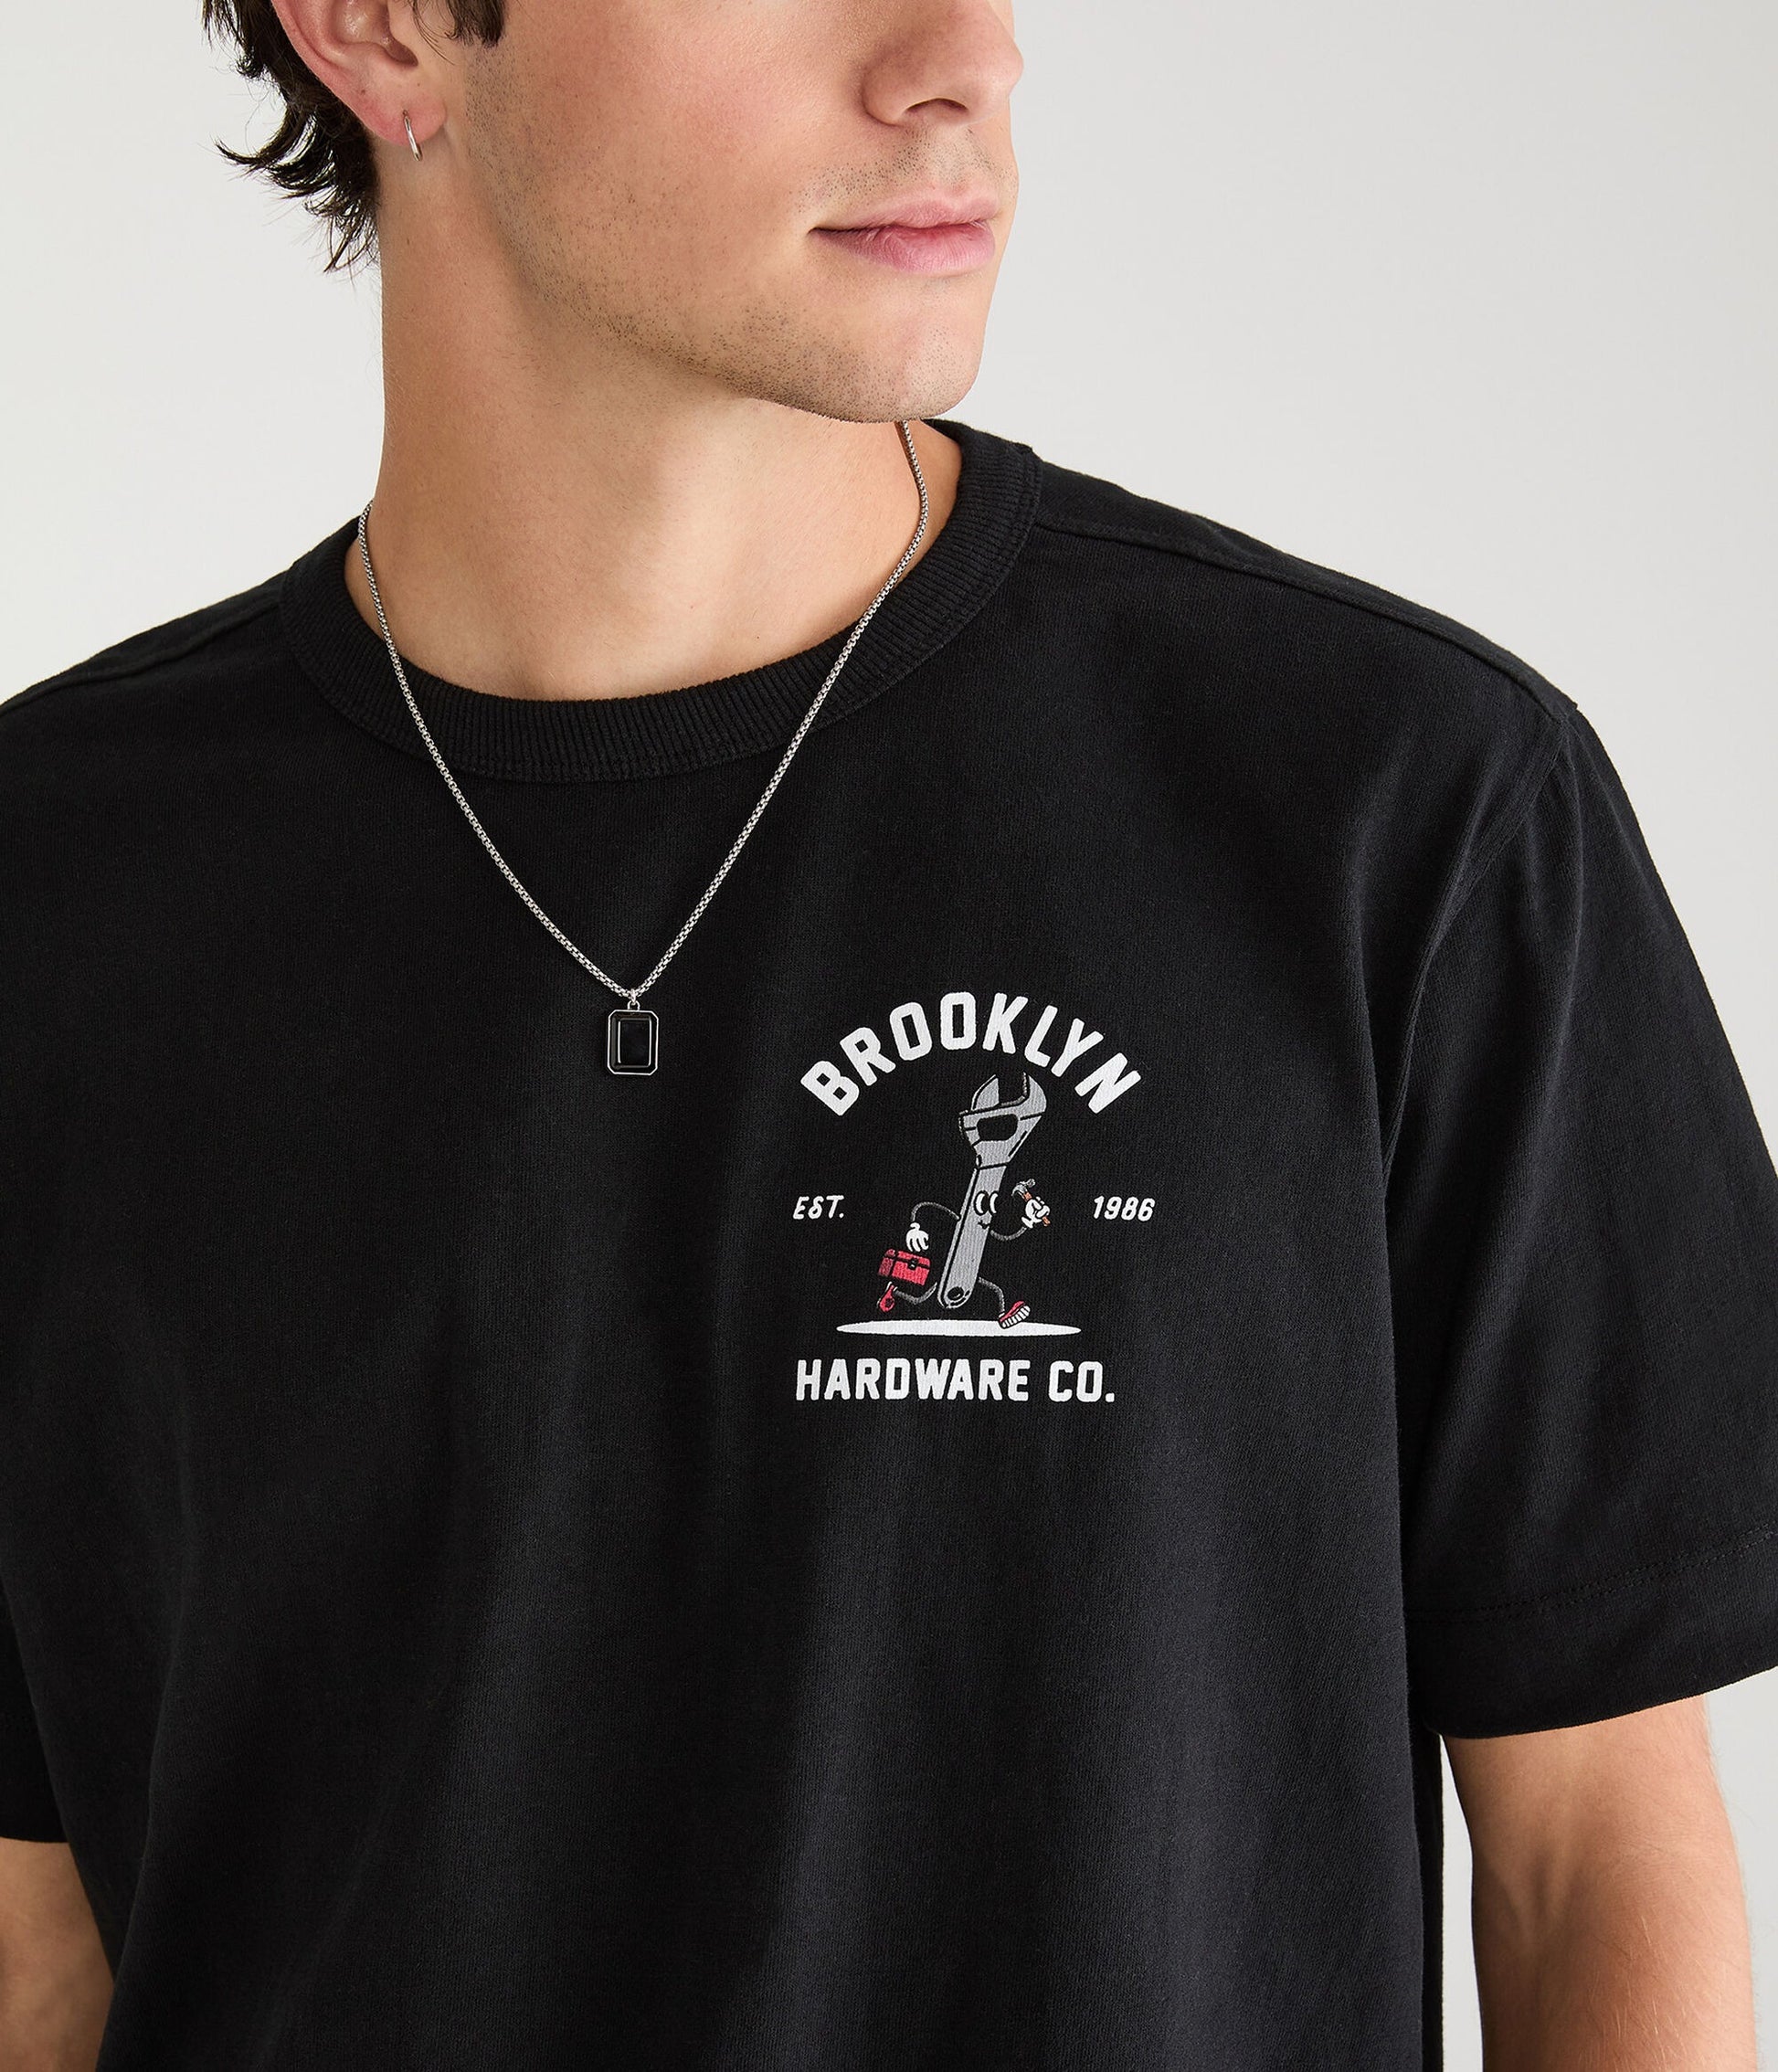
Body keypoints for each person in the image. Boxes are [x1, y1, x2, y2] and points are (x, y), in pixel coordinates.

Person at [2, 0, 1774, 2065]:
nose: (962, 60)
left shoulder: (1395, 813)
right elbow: (43, 1954)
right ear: (388, 28)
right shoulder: (57, 899)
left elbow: (1591, 1854)